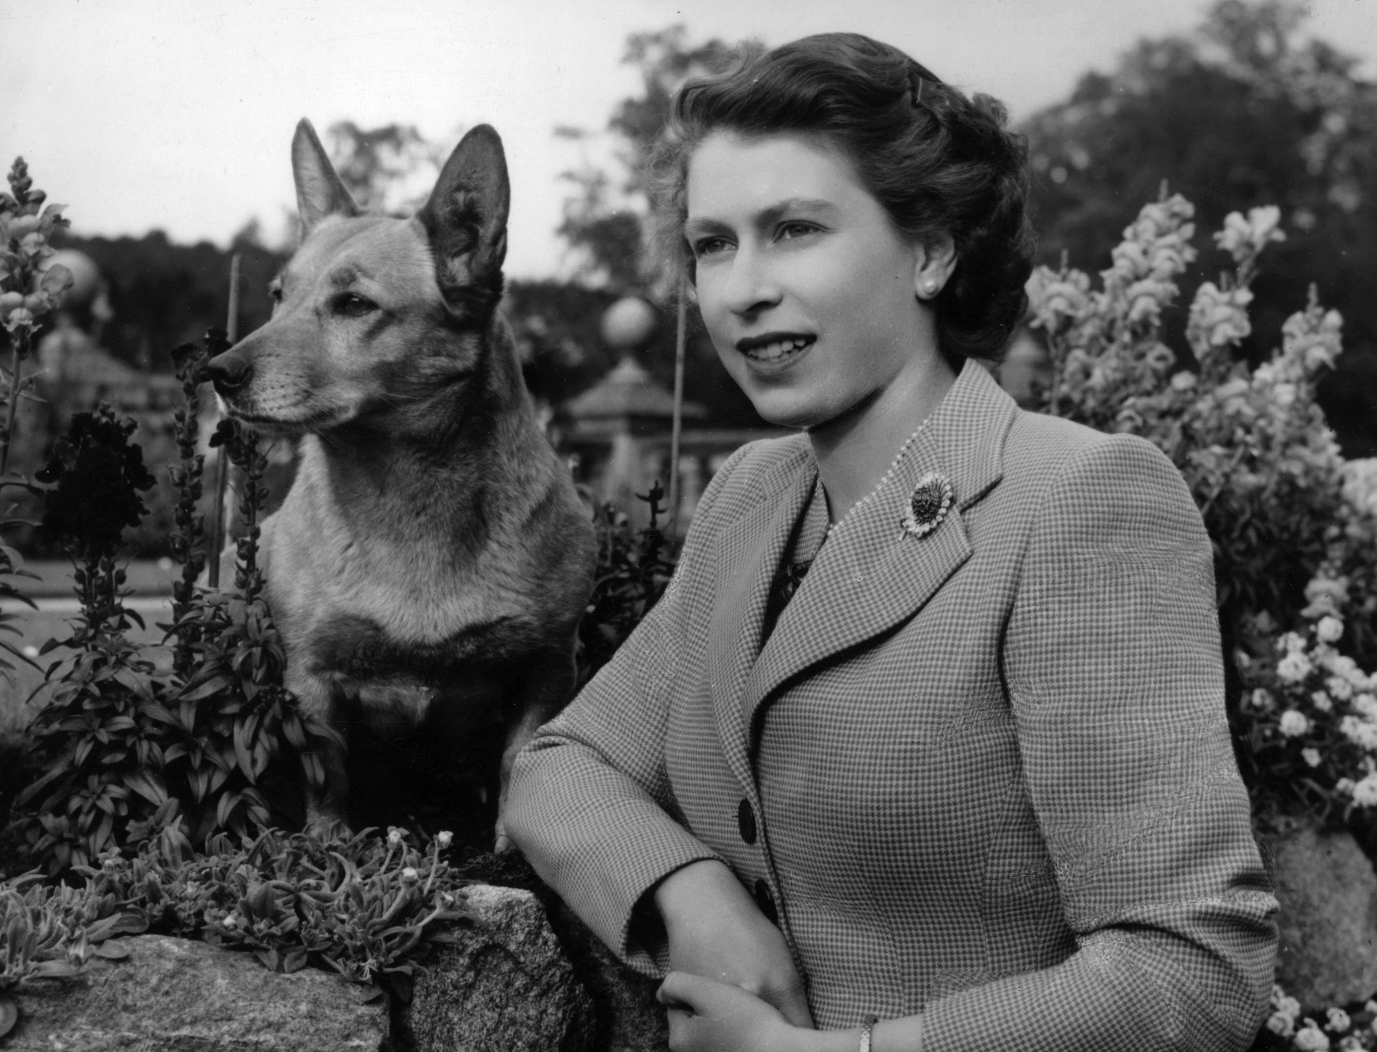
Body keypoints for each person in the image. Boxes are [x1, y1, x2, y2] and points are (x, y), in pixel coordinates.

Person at [507, 32, 1277, 1052]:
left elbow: (1194, 966)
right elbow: (558, 765)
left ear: (931, 250)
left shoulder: (1080, 498)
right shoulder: (751, 496)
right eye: (713, 244)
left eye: (793, 229)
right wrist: (692, 895)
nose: (741, 290)